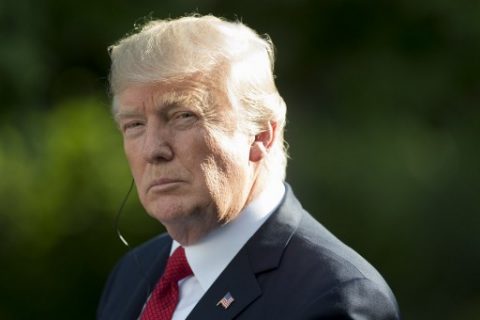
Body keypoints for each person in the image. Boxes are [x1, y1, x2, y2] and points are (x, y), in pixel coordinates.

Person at [97, 14, 400, 320]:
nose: (152, 150)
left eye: (182, 116)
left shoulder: (336, 298)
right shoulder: (131, 274)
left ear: (261, 135)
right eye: (134, 124)